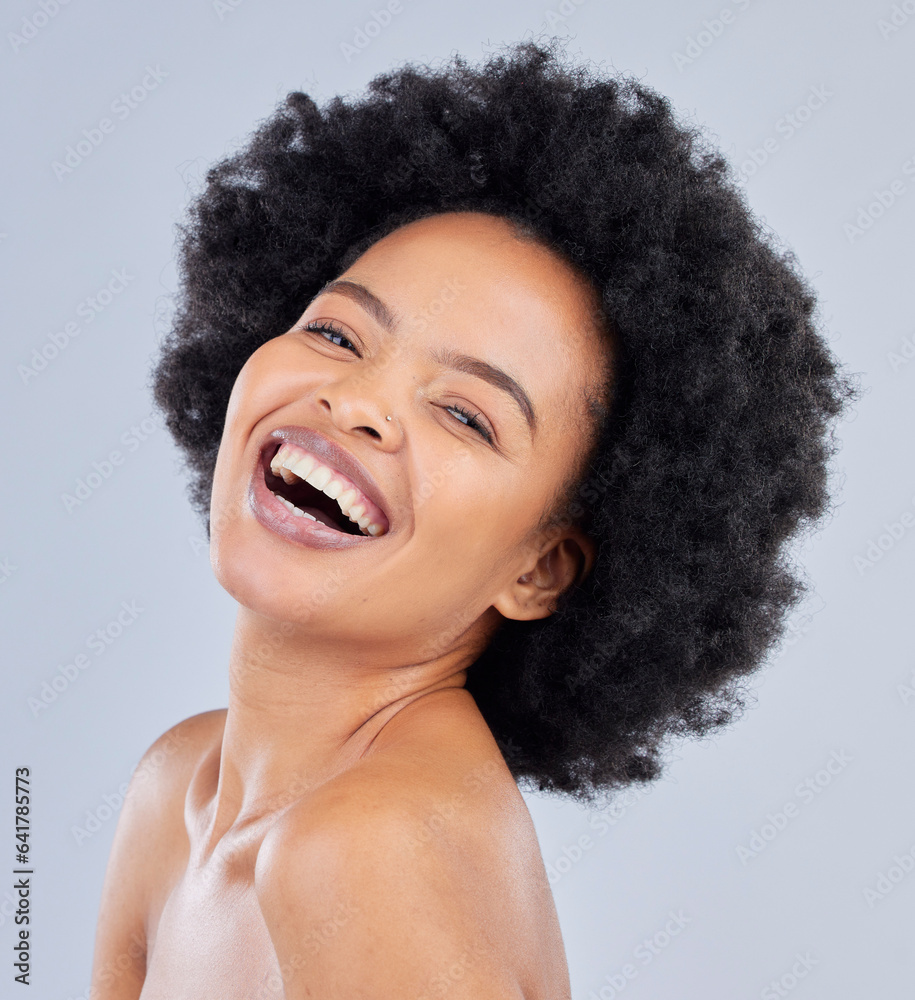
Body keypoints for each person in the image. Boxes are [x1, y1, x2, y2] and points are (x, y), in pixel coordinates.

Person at [89, 38, 858, 999]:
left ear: (536, 570)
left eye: (464, 413)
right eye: (335, 331)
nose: (359, 400)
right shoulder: (177, 786)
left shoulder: (368, 843)